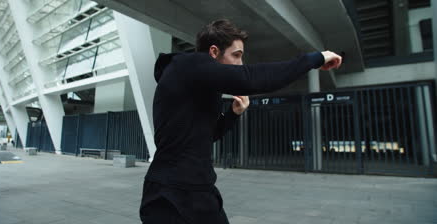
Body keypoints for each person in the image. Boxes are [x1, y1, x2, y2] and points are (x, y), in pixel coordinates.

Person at [139, 19, 342, 224]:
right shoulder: (188, 65)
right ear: (213, 52)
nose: (240, 64)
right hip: (170, 195)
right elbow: (251, 79)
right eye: (236, 55)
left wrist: (233, 114)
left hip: (199, 189)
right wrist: (316, 58)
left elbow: (207, 135)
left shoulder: (200, 85)